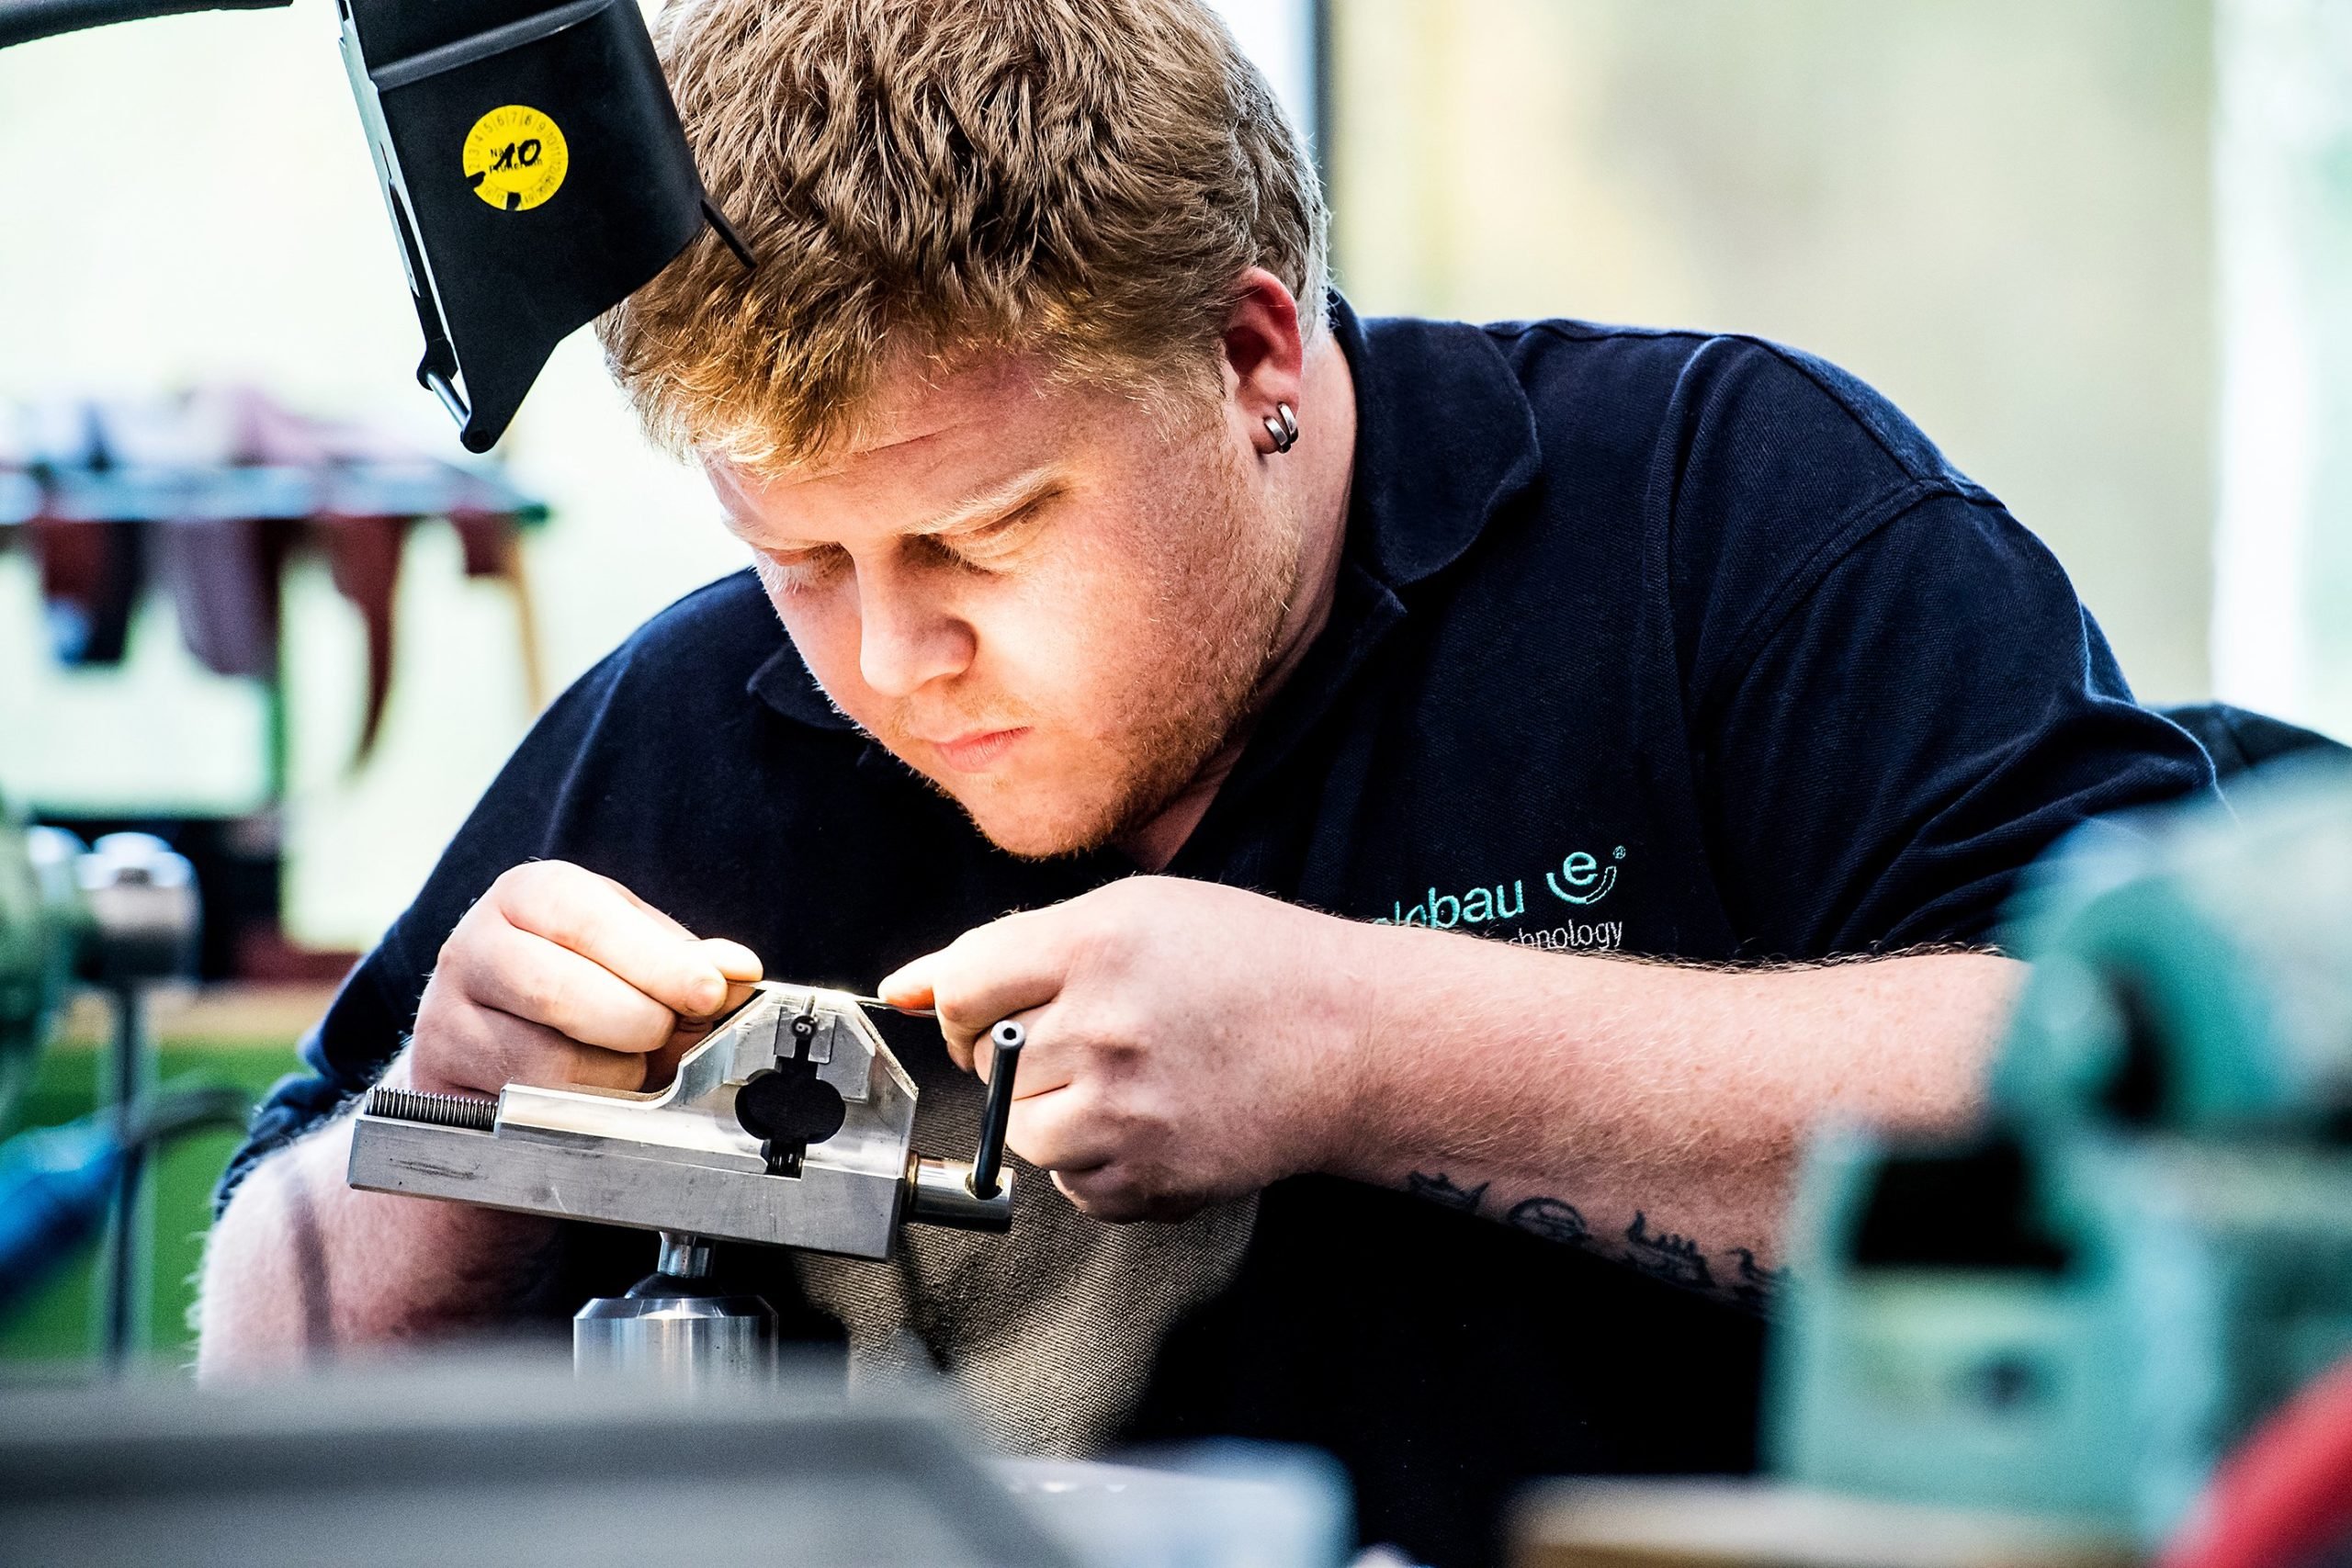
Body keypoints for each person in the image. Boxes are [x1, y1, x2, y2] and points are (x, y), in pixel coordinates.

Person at [195, 1, 2217, 1561]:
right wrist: (447, 1125)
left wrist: (1360, 1038)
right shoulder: (695, 727)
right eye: (796, 559)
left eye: (983, 539)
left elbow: (2183, 1112)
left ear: (1253, 356)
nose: (887, 665)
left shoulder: (1714, 521)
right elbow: (247, 1404)